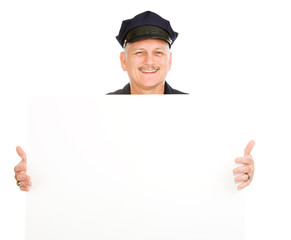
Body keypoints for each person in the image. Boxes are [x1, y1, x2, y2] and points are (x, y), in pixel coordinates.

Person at [14, 11, 255, 191]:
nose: (149, 61)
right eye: (139, 52)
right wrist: (35, 172)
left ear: (169, 61)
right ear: (123, 60)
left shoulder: (199, 114)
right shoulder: (93, 113)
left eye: (158, 52)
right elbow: (73, 168)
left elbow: (209, 171)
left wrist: (242, 171)